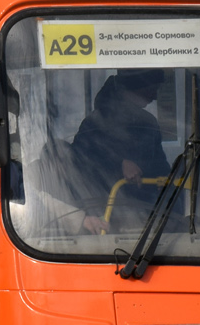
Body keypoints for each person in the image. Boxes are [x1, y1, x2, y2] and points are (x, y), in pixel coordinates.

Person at [72, 69, 169, 224]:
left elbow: (159, 164)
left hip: (143, 216)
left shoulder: (149, 122)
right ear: (138, 85)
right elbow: (77, 161)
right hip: (101, 216)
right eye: (153, 89)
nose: (155, 97)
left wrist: (167, 180)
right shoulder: (95, 122)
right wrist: (119, 164)